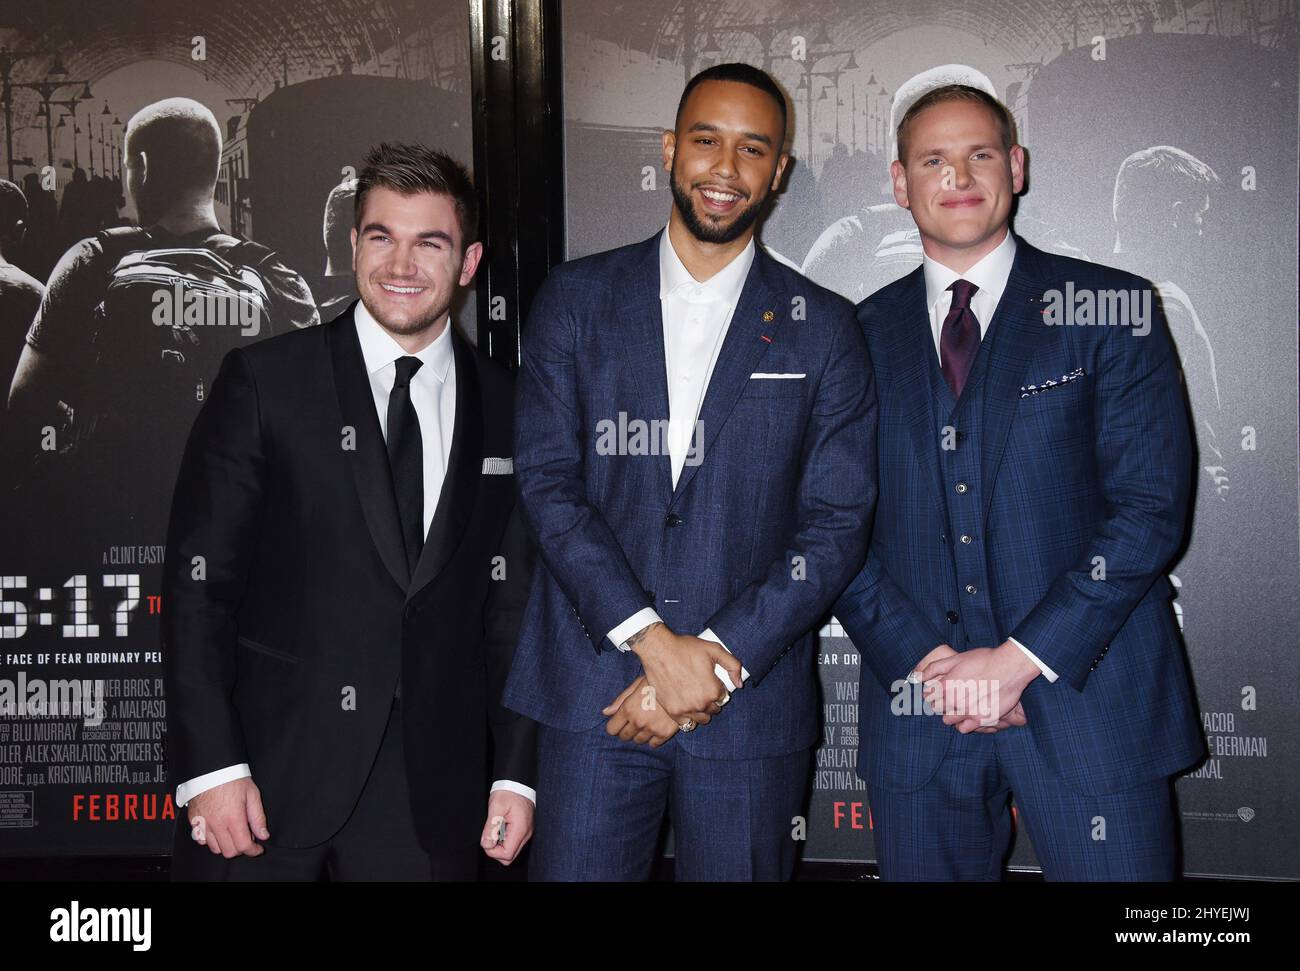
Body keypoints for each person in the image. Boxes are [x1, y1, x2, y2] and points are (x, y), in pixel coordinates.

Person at [504, 63, 876, 881]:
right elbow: (549, 486)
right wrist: (647, 639)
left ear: (778, 172)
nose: (725, 169)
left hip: (748, 710)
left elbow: (837, 525)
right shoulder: (573, 300)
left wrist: (704, 659)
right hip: (593, 698)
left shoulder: (826, 329)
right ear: (672, 149)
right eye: (706, 141)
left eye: (753, 150)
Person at [834, 84, 1203, 880]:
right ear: (901, 183)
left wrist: (1015, 662)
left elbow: (1149, 513)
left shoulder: (1112, 309)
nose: (958, 175)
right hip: (919, 716)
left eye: (980, 154)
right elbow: (834, 528)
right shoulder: (853, 336)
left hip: (1092, 705)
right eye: (933, 160)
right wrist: (931, 663)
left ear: (1018, 166)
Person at [164, 142, 536, 881]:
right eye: (381, 237)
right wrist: (211, 766)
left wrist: (516, 772)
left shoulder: (511, 404)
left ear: (468, 263)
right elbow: (197, 590)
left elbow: (514, 608)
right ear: (353, 245)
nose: (401, 265)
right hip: (267, 776)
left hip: (434, 797)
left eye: (429, 242)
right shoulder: (267, 382)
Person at [6, 98, 320, 536]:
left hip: (112, 523)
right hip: (229, 532)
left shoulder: (92, 261)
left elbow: (25, 402)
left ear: (144, 166)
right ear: (212, 171)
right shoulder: (275, 275)